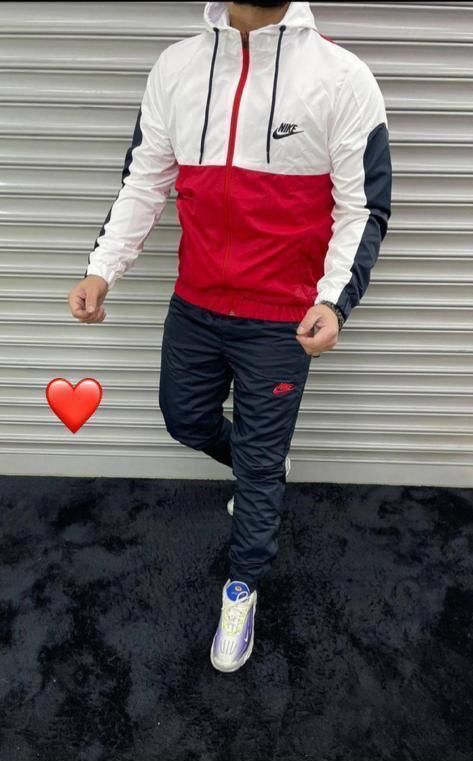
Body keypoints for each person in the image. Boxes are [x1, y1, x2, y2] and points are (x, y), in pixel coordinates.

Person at [68, 0, 392, 673]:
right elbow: (144, 180)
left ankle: (242, 585)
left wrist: (334, 301)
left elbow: (362, 205)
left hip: (280, 318)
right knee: (184, 419)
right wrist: (102, 269)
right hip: (196, 304)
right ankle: (256, 466)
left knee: (260, 467)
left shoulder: (342, 76)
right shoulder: (176, 67)